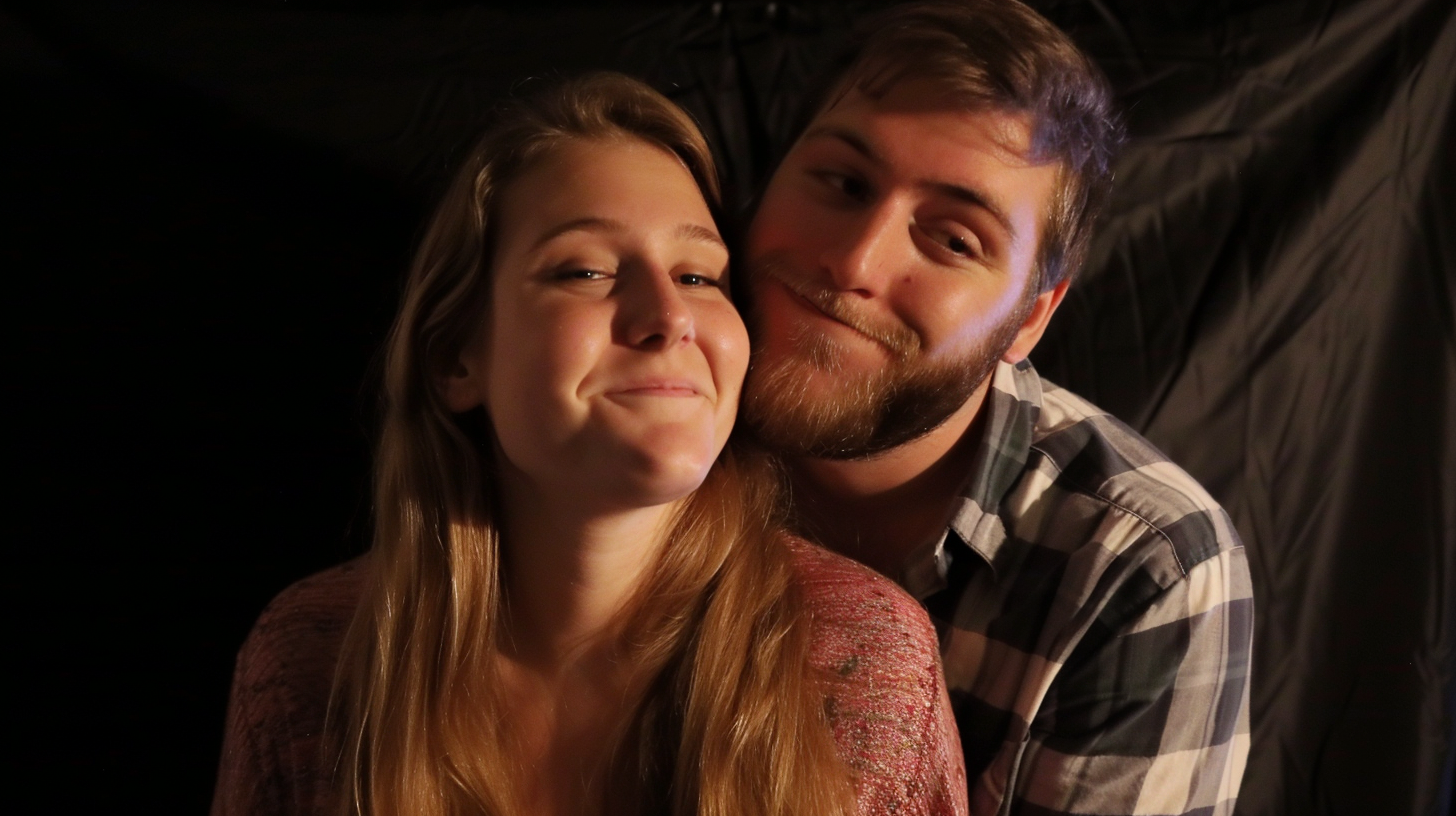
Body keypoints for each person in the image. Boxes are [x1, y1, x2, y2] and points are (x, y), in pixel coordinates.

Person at [210, 73, 966, 816]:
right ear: (455, 360)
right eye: (587, 270)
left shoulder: (861, 665)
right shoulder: (312, 660)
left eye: (700, 275)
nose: (668, 317)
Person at [737, 2, 1255, 815]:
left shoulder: (1145, 567)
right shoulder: (640, 415)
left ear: (1030, 319)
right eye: (842, 183)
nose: (855, 262)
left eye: (953, 239)